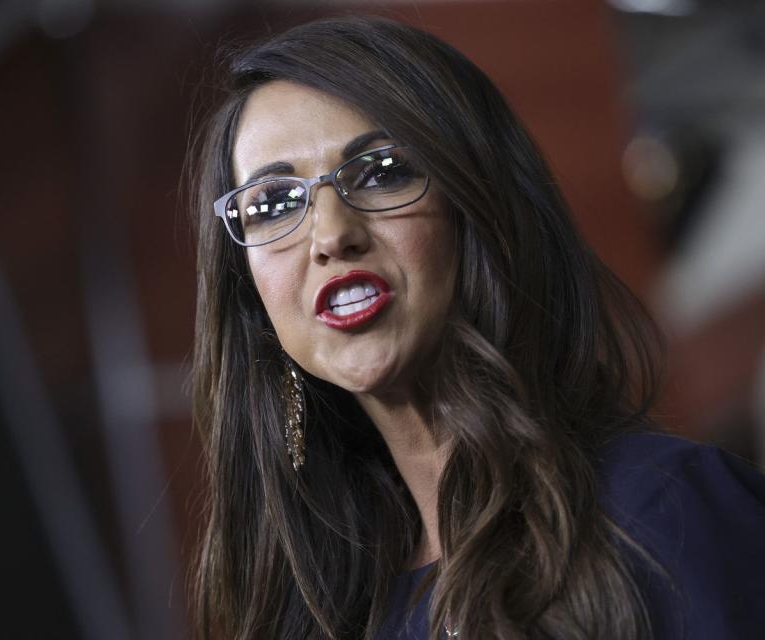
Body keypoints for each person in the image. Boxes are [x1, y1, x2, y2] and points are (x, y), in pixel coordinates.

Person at [186, 15, 765, 639]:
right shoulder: (322, 611)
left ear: (478, 208)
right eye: (274, 203)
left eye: (382, 172)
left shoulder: (664, 512)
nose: (330, 234)